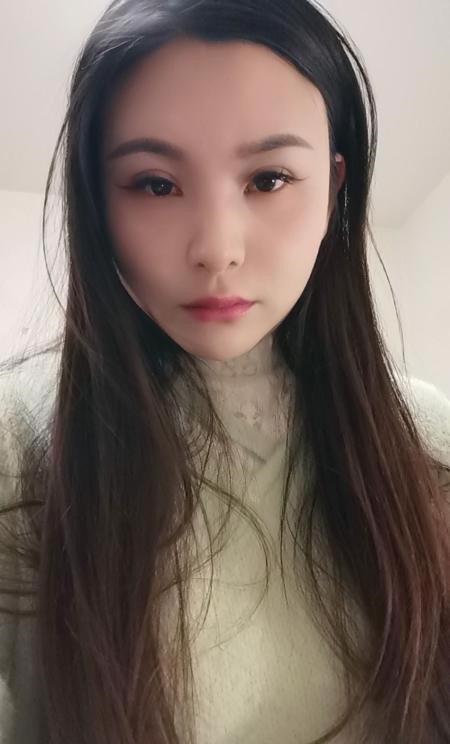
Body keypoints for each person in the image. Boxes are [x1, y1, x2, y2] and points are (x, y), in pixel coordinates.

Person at [0, 1, 449, 742]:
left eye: (269, 178)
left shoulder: (425, 437)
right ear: (97, 199)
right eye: (155, 184)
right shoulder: (19, 440)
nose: (216, 248)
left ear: (334, 186)